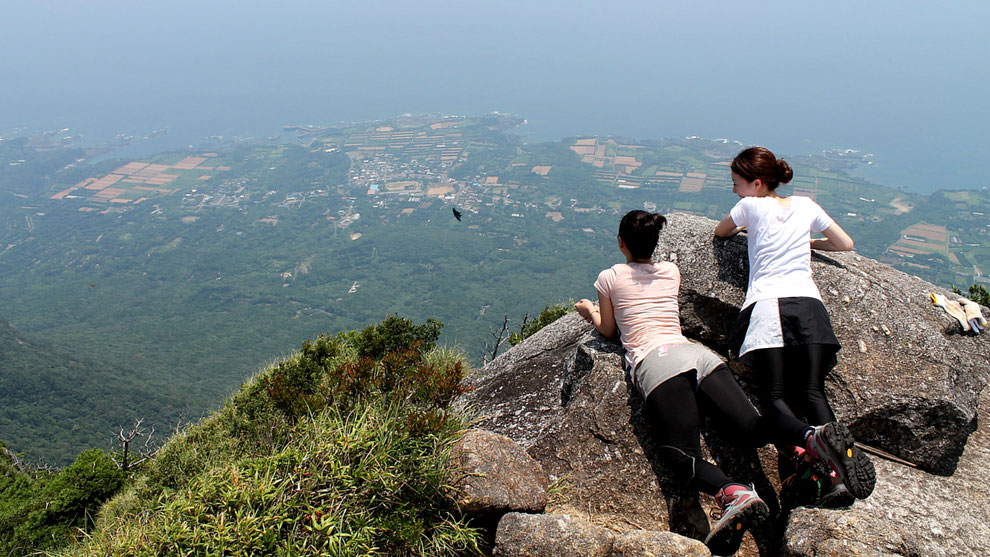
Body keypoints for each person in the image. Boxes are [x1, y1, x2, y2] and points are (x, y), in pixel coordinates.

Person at [576, 210, 869, 555]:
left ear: (621, 243)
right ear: (655, 243)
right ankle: (811, 436)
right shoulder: (671, 272)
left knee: (678, 454)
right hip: (699, 356)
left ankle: (735, 493)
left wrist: (589, 312)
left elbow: (609, 331)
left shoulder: (609, 277)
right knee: (752, 426)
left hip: (659, 363)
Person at [714, 146, 875, 507]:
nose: (734, 189)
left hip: (770, 307)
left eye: (737, 183)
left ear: (756, 183)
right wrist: (806, 241)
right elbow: (845, 244)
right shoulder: (805, 205)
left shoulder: (750, 206)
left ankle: (820, 470)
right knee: (814, 391)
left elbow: (721, 232)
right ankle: (840, 474)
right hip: (811, 308)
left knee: (776, 398)